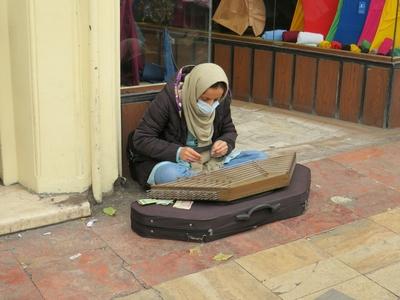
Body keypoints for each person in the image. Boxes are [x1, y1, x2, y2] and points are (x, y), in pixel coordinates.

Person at [130, 63, 267, 188]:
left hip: (211, 161)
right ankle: (214, 183)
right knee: (169, 175)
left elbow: (229, 131)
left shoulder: (222, 101)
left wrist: (225, 143)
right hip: (175, 163)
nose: (210, 105)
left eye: (215, 100)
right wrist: (178, 152)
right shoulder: (169, 100)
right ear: (193, 90)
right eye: (205, 99)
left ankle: (201, 184)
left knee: (259, 158)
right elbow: (141, 139)